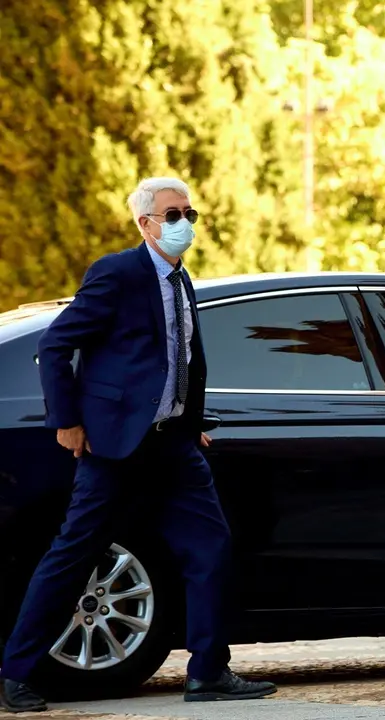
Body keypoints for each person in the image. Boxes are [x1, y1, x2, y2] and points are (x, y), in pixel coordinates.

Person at [0, 178, 276, 713]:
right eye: (173, 215)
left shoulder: (182, 279)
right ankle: (15, 674)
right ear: (145, 223)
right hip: (113, 447)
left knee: (211, 550)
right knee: (73, 556)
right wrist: (67, 421)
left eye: (189, 213)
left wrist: (189, 419)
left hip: (173, 446)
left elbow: (184, 360)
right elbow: (56, 345)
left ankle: (207, 672)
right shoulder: (117, 272)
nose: (184, 224)